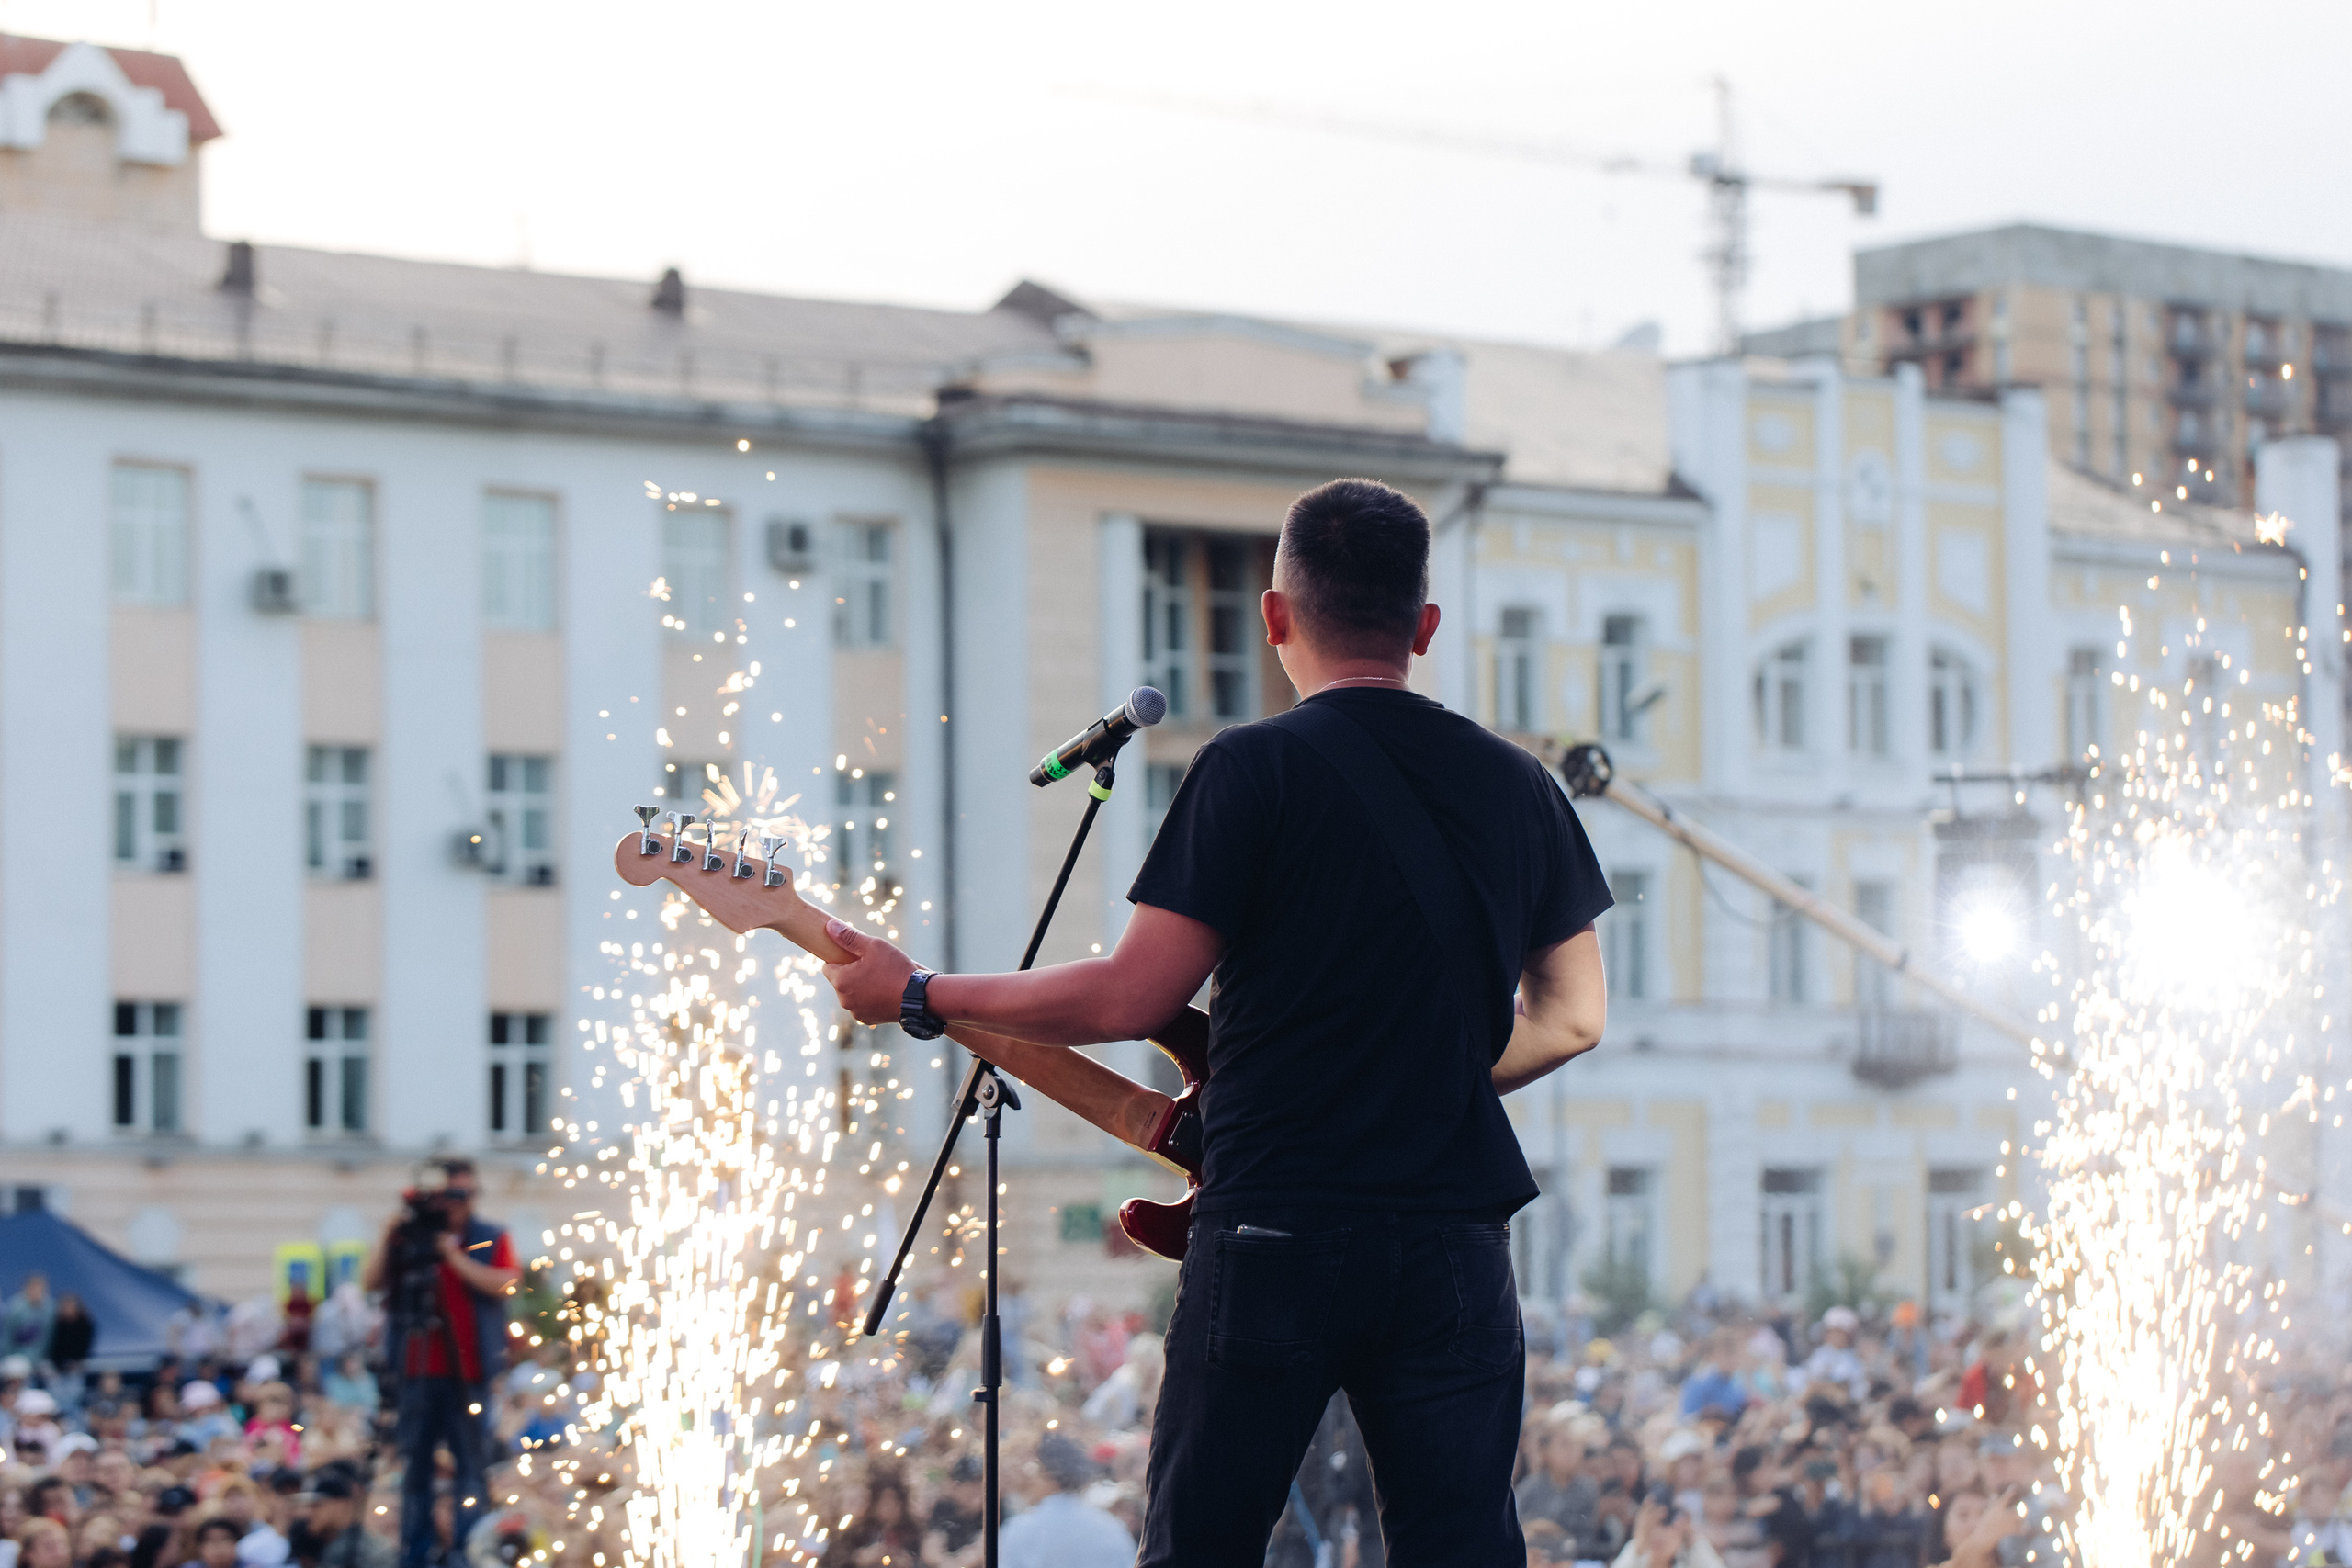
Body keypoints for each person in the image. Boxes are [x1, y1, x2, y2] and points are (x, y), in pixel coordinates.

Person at [820, 477, 1611, 1565]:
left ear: (1275, 617)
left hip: (1277, 1229)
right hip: (1452, 1244)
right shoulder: (1522, 789)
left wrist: (921, 993)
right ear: (1425, 627)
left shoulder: (1252, 766)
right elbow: (1572, 1021)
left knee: (1203, 1547)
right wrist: (1425, 1075)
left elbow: (1131, 998)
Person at [359, 1159, 519, 1568]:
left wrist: (452, 1256)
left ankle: (468, 1552)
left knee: (471, 1467)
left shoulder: (488, 1237)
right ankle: (414, 1554)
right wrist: (388, 1234)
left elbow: (506, 1282)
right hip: (414, 1371)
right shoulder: (408, 1238)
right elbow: (370, 1282)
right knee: (415, 1471)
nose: (458, 1204)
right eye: (451, 1195)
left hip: (469, 1372)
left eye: (466, 1195)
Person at [996, 1436, 1133, 1568]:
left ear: (1048, 1475)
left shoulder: (1020, 1528)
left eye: (1034, 1471)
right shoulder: (1111, 1527)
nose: (1030, 1480)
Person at [2, 1277, 53, 1368]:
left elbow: (48, 1338)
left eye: (40, 1290)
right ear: (26, 1289)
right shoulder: (16, 1307)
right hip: (15, 1357)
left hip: (40, 1360)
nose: (36, 1293)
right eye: (33, 1289)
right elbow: (7, 1336)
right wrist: (5, 1358)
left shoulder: (50, 1309)